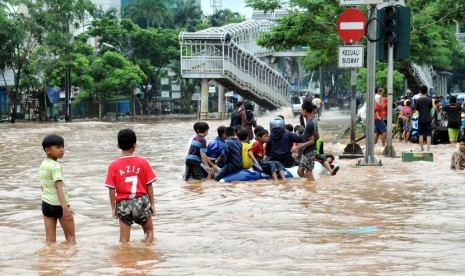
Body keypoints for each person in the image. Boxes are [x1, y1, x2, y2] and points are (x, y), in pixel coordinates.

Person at [105, 129, 157, 244]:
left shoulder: (114, 165)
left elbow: (111, 188)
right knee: (149, 232)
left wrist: (113, 208)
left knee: (123, 239)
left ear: (118, 146)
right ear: (135, 145)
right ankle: (147, 253)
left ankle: (125, 258)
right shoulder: (143, 162)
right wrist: (152, 204)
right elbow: (149, 184)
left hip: (123, 203)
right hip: (141, 202)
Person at [39, 134, 75, 245]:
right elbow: (58, 187)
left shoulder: (43, 164)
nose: (62, 150)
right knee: (71, 239)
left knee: (49, 240)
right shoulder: (56, 166)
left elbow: (43, 186)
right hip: (59, 205)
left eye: (63, 147)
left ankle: (50, 261)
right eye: (58, 147)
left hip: (46, 204)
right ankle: (69, 261)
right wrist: (65, 208)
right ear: (47, 150)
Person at [291, 101, 317, 181]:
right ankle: (310, 185)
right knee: (300, 172)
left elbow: (312, 141)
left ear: (305, 111)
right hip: (307, 151)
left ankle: (312, 188)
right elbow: (317, 136)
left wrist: (297, 147)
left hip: (310, 151)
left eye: (302, 110)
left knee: (308, 172)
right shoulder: (313, 121)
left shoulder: (309, 124)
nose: (301, 112)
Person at [415, 85, 433, 152]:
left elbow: (416, 109)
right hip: (428, 118)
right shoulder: (430, 100)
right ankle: (428, 149)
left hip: (421, 118)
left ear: (420, 91)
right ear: (427, 91)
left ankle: (422, 148)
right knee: (428, 134)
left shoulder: (418, 100)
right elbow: (431, 108)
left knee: (420, 134)